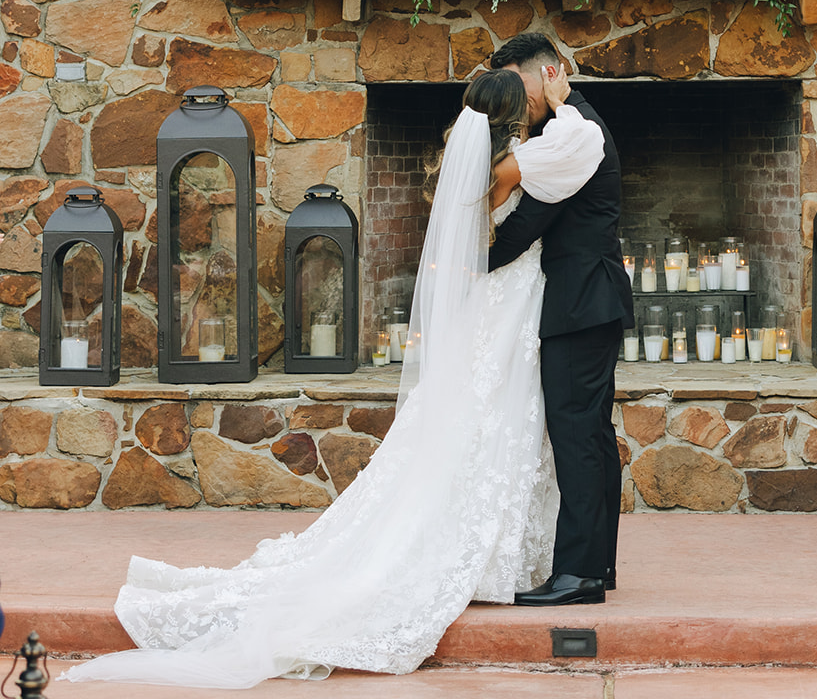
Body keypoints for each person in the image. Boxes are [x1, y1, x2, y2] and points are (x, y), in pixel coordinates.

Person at [64, 67, 604, 685]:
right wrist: (565, 104)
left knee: (480, 424)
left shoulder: (480, 164)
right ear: (515, 118)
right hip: (511, 303)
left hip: (498, 306)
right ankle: (488, 554)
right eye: (529, 102)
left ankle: (496, 548)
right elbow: (582, 145)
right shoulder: (518, 164)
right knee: (497, 422)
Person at [488, 32, 634, 607]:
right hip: (589, 301)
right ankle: (596, 565)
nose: (519, 103)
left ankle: (576, 575)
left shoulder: (574, 133)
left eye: (520, 87)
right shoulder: (566, 127)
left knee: (577, 436)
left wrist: (469, 261)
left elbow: (530, 223)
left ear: (550, 72)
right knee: (592, 435)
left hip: (579, 304)